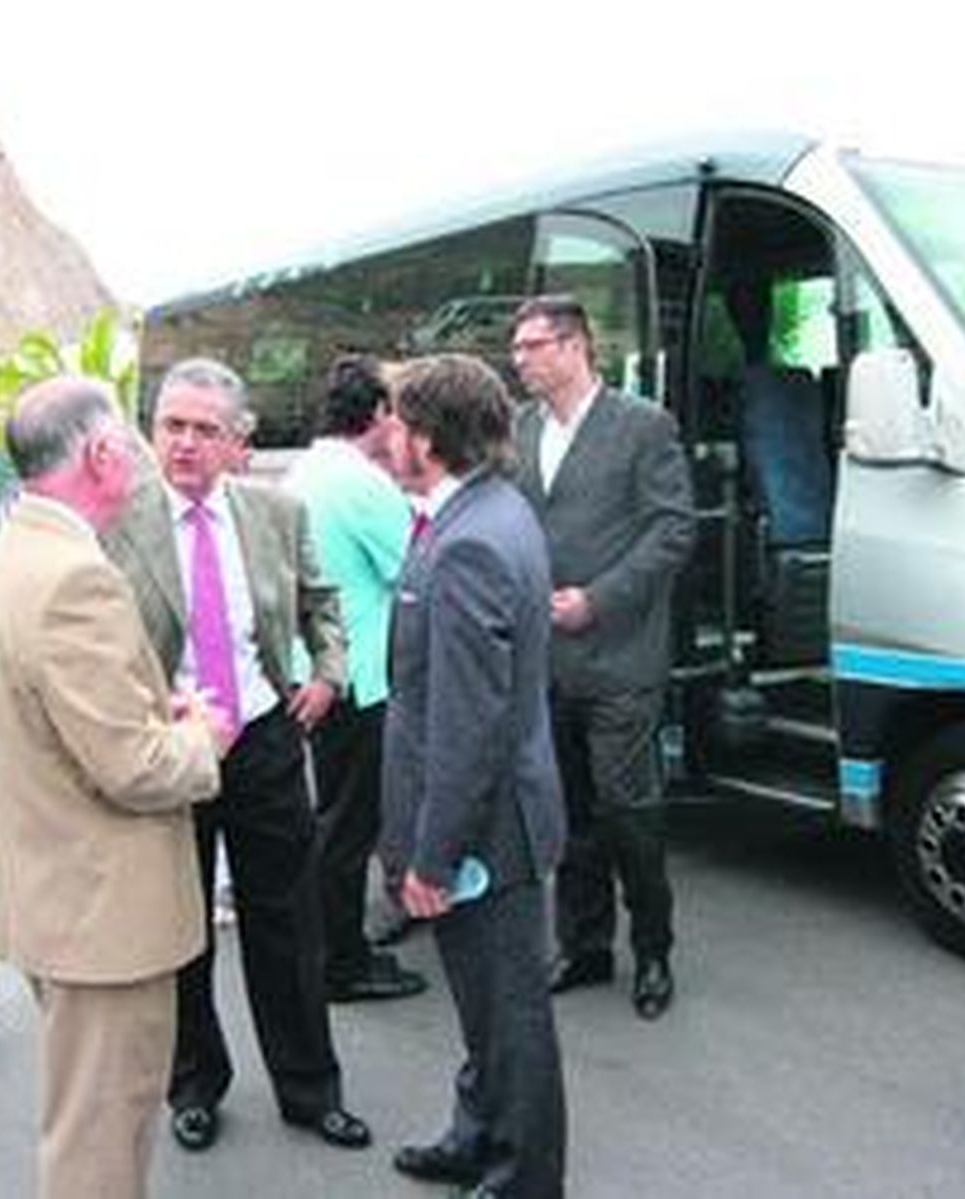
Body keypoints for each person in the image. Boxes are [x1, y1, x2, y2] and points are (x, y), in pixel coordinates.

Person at [101, 357, 370, 1155]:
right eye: (170, 425)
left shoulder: (275, 514)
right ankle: (194, 1083)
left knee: (287, 923)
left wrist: (327, 674)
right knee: (184, 931)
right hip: (171, 746)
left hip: (263, 739)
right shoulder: (117, 522)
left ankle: (310, 1089)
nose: (183, 443)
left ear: (237, 441)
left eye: (202, 429)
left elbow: (324, 604)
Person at [0, 378, 227, 1199]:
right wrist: (201, 733)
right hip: (103, 917)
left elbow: (65, 722)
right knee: (100, 1142)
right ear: (104, 454)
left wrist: (159, 714)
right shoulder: (77, 576)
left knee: (87, 1121)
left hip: (58, 896)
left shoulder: (16, 551)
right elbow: (136, 767)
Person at [380, 353, 567, 1199]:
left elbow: (468, 725)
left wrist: (433, 856)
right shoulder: (494, 512)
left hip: (483, 831)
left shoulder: (469, 544)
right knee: (487, 1006)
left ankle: (525, 1176)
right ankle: (477, 1135)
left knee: (510, 1016)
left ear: (426, 436)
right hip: (495, 818)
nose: (388, 435)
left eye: (397, 421)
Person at [510, 294, 697, 1020]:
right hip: (546, 658)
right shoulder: (521, 429)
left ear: (575, 345)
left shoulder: (643, 426)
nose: (519, 359)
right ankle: (584, 945)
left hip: (619, 655)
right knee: (570, 812)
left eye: (532, 345)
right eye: (517, 347)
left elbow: (672, 529)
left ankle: (653, 949)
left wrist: (601, 597)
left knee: (629, 810)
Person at [283, 354, 426, 1002]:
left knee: (330, 815)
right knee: (347, 827)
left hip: (311, 666)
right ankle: (342, 961)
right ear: (376, 414)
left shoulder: (303, 470)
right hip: (361, 675)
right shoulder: (363, 485)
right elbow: (416, 568)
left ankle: (324, 950)